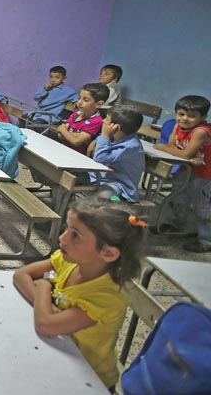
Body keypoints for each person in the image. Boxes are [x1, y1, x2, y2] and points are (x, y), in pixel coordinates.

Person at [13, 196, 146, 390]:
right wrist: (47, 307)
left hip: (88, 378)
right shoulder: (69, 260)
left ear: (108, 253)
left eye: (75, 234)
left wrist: (43, 286)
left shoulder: (107, 297)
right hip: (58, 353)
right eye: (67, 228)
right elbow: (21, 274)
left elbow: (45, 324)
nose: (62, 237)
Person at [154, 95, 211, 252]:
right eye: (181, 114)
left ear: (203, 117)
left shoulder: (201, 131)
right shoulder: (177, 126)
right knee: (179, 197)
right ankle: (175, 226)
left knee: (202, 207)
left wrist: (164, 148)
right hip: (186, 169)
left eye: (192, 116)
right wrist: (180, 153)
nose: (185, 119)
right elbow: (175, 148)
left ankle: (206, 241)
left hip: (204, 175)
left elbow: (183, 153)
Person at [87, 105, 145, 202]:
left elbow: (100, 158)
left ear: (116, 127)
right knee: (69, 177)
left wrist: (104, 135)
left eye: (107, 119)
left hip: (118, 184)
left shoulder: (131, 146)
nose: (103, 121)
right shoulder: (116, 136)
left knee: (103, 197)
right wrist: (99, 138)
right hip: (100, 177)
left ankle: (116, 204)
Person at [56, 82, 109, 156]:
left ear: (98, 104)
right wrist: (76, 135)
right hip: (63, 150)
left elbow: (76, 142)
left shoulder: (96, 121)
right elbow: (59, 135)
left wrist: (62, 129)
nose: (79, 102)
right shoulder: (76, 114)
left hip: (77, 156)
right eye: (79, 98)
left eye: (86, 100)